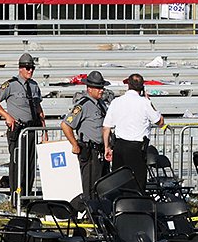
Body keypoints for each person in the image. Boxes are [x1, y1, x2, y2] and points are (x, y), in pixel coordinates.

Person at [0, 52, 44, 196]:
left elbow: (39, 110)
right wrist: (7, 116)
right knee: (18, 163)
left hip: (31, 129)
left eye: (32, 68)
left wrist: (44, 131)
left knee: (30, 164)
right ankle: (16, 196)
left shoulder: (34, 86)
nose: (30, 70)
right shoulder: (10, 85)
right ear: (20, 68)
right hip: (18, 130)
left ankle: (26, 194)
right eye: (27, 67)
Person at [103, 73, 164, 192]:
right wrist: (150, 102)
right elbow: (160, 122)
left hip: (119, 146)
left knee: (119, 183)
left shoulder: (116, 102)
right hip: (136, 148)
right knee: (137, 184)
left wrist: (107, 147)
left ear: (128, 85)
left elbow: (106, 127)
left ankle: (120, 207)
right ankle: (135, 208)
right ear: (142, 87)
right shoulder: (144, 103)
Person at [61, 70, 111, 199]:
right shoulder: (83, 106)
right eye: (98, 88)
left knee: (102, 185)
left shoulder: (100, 104)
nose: (101, 90)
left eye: (102, 87)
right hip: (90, 151)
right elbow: (66, 125)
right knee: (90, 186)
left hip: (100, 150)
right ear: (89, 88)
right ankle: (90, 213)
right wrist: (74, 144)